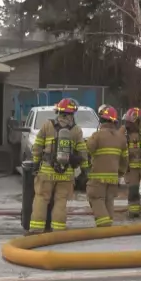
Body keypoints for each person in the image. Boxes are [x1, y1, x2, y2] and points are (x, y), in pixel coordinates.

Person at [28, 98, 89, 234]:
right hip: (66, 173)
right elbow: (82, 152)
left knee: (41, 198)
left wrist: (36, 163)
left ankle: (36, 228)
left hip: (46, 171)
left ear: (58, 112)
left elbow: (37, 146)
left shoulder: (47, 125)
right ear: (72, 114)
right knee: (60, 201)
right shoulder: (76, 130)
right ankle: (58, 229)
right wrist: (85, 170)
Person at [86, 105, 128, 227]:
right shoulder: (121, 138)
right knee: (109, 200)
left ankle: (104, 225)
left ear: (101, 120)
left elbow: (87, 150)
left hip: (98, 177)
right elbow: (125, 160)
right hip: (113, 177)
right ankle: (109, 227)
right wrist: (120, 172)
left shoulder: (97, 136)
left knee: (96, 198)